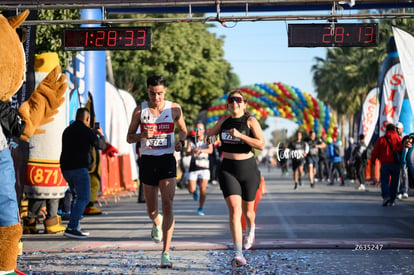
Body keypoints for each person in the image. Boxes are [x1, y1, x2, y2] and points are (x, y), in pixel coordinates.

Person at [126, 75, 187, 268]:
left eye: (160, 93)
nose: (156, 97)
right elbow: (129, 137)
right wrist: (142, 135)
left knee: (168, 203)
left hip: (167, 160)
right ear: (148, 92)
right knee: (152, 209)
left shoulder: (174, 108)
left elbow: (184, 130)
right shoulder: (140, 110)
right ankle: (156, 221)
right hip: (148, 161)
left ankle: (166, 252)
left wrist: (181, 142)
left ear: (165, 91)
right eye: (153, 93)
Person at [204, 90, 265, 267]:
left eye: (238, 100)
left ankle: (251, 227)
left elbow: (261, 144)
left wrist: (240, 136)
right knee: (234, 210)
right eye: (231, 100)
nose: (235, 103)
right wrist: (209, 138)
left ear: (244, 104)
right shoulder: (223, 121)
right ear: (228, 104)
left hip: (248, 170)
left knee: (248, 212)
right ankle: (238, 254)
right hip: (228, 169)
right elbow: (209, 137)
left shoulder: (250, 121)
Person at [60, 107, 106, 238]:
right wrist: (100, 134)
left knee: (76, 196)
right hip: (79, 169)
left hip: (66, 169)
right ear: (87, 119)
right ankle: (72, 227)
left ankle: (76, 226)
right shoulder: (86, 131)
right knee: (84, 197)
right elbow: (101, 146)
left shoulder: (67, 130)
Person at [370, 123, 403, 206]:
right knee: (394, 182)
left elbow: (374, 152)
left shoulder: (382, 139)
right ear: (395, 130)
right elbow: (403, 151)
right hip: (396, 164)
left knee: (384, 181)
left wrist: (373, 161)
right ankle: (392, 199)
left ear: (386, 130)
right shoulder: (399, 139)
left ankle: (386, 197)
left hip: (385, 164)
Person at [187, 122, 213, 216]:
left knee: (203, 189)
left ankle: (200, 208)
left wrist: (201, 150)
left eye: (200, 129)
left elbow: (210, 150)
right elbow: (187, 152)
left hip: (204, 165)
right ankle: (194, 190)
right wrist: (192, 151)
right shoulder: (191, 140)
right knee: (191, 189)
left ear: (204, 130)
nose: (198, 131)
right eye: (196, 129)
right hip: (194, 165)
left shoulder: (207, 139)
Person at [396, 122, 409, 200]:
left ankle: (405, 191)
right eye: (397, 129)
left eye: (399, 129)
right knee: (397, 176)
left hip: (404, 158)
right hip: (397, 158)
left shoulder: (405, 136)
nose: (398, 130)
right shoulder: (395, 137)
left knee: (404, 175)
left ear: (402, 129)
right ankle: (399, 192)